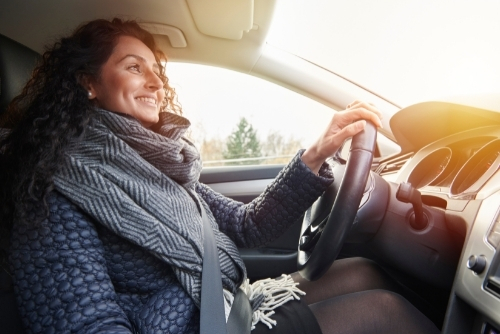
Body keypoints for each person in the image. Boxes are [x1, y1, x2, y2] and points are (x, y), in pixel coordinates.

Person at [0, 18, 439, 333]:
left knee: (364, 271)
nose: (154, 81)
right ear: (88, 83)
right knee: (384, 313)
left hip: (229, 306)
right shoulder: (53, 187)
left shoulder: (157, 165)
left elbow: (246, 225)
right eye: (134, 67)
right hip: (200, 324)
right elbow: (86, 326)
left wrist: (316, 153)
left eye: (156, 69)